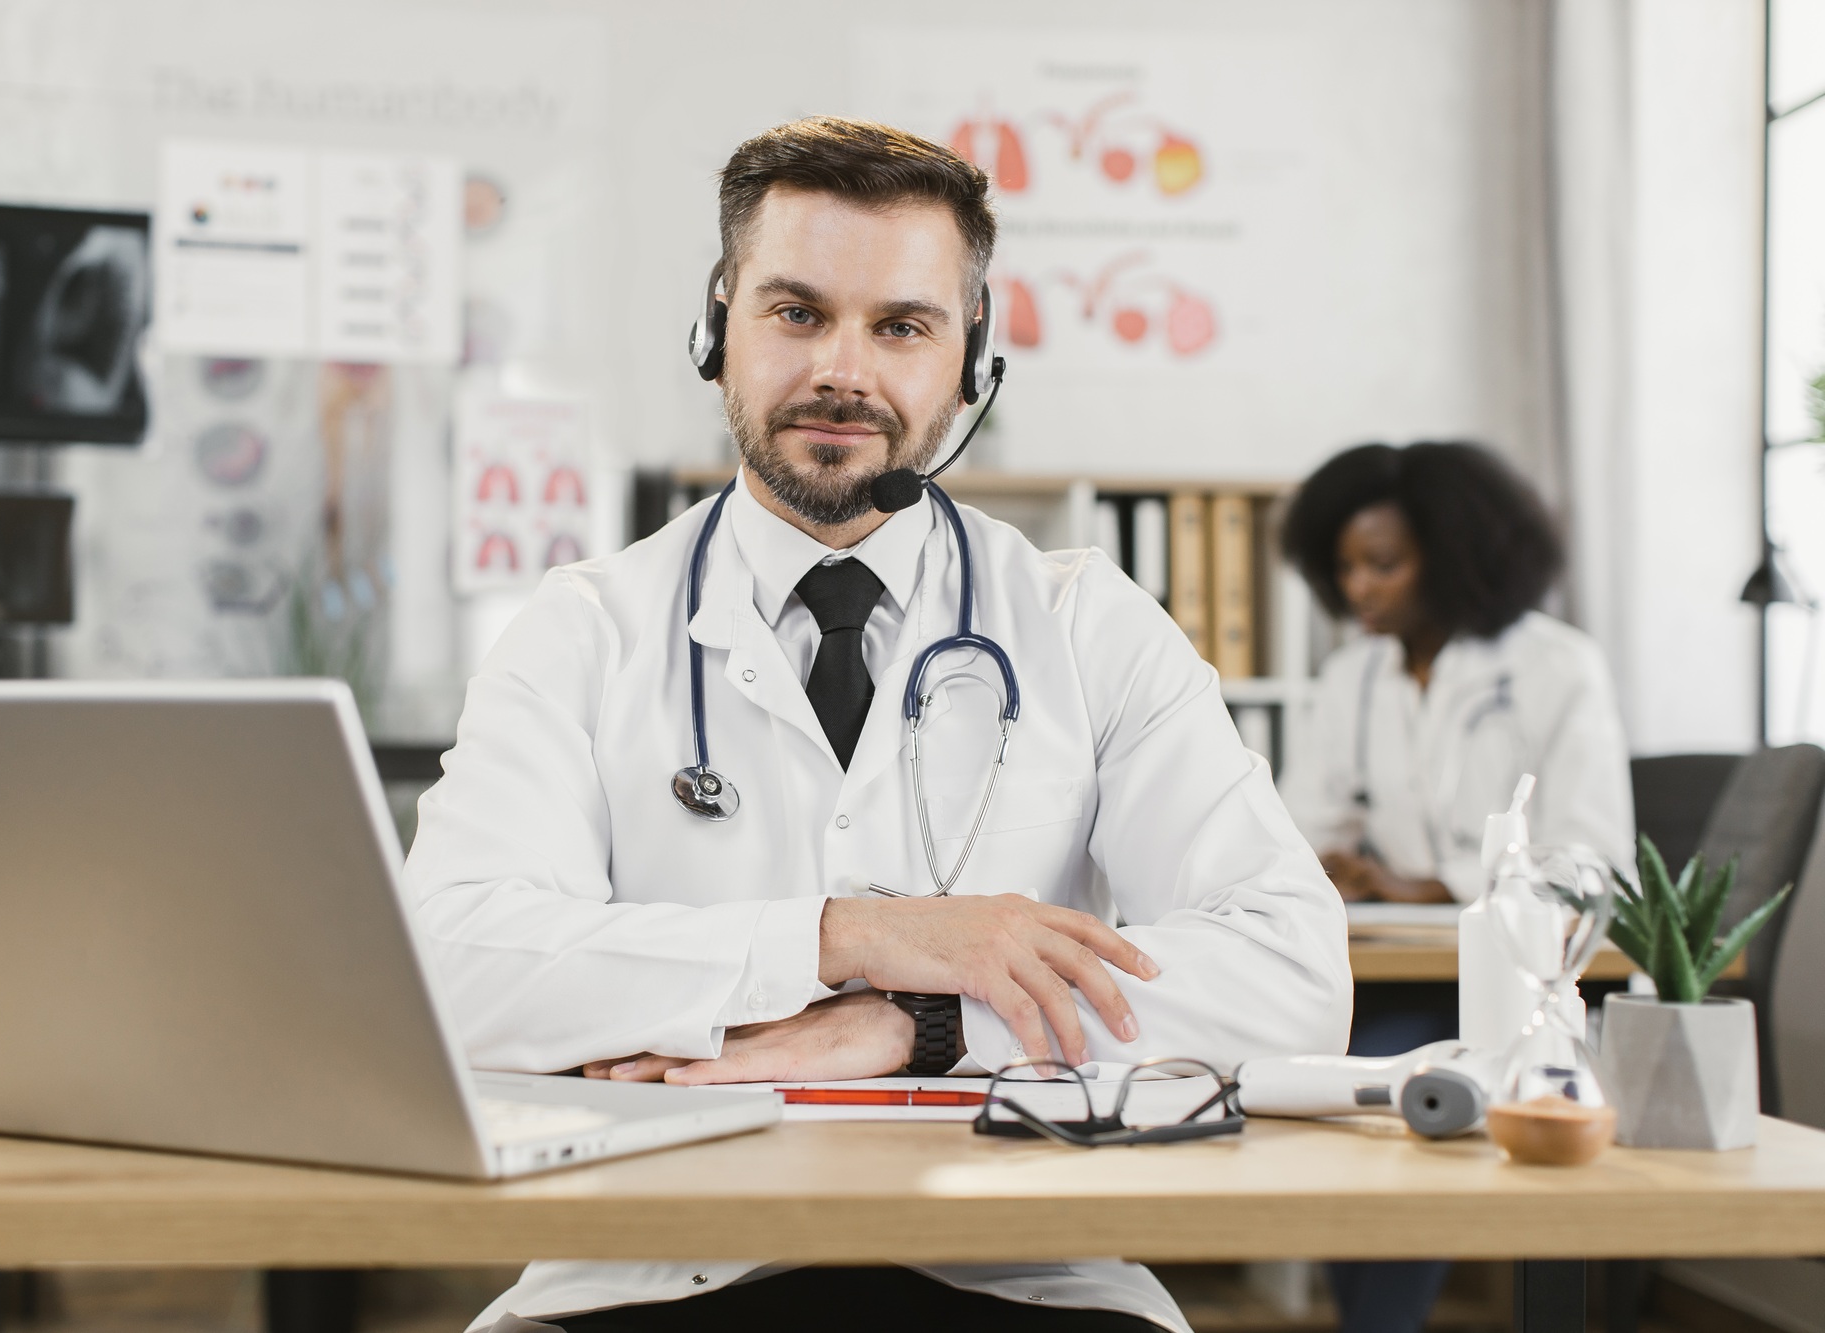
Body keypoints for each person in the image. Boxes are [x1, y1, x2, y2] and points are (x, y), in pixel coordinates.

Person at [405, 116, 1350, 1332]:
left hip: (1022, 1272)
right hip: (647, 1270)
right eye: (796, 312)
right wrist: (846, 937)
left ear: (971, 360)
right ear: (717, 326)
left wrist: (920, 1023)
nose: (841, 371)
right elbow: (451, 969)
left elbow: (1290, 977)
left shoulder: (1082, 624)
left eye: (900, 326)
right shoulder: (586, 628)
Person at [1276, 441, 1634, 1333]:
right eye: (1345, 568)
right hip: (1379, 974)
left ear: (1454, 555)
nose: (1359, 588)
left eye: (1383, 564)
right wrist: (1327, 859)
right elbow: (1298, 823)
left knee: (1398, 1088)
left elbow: (1595, 864)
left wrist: (1433, 884)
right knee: (1323, 1080)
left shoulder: (1557, 667)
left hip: (1516, 986)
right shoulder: (1353, 676)